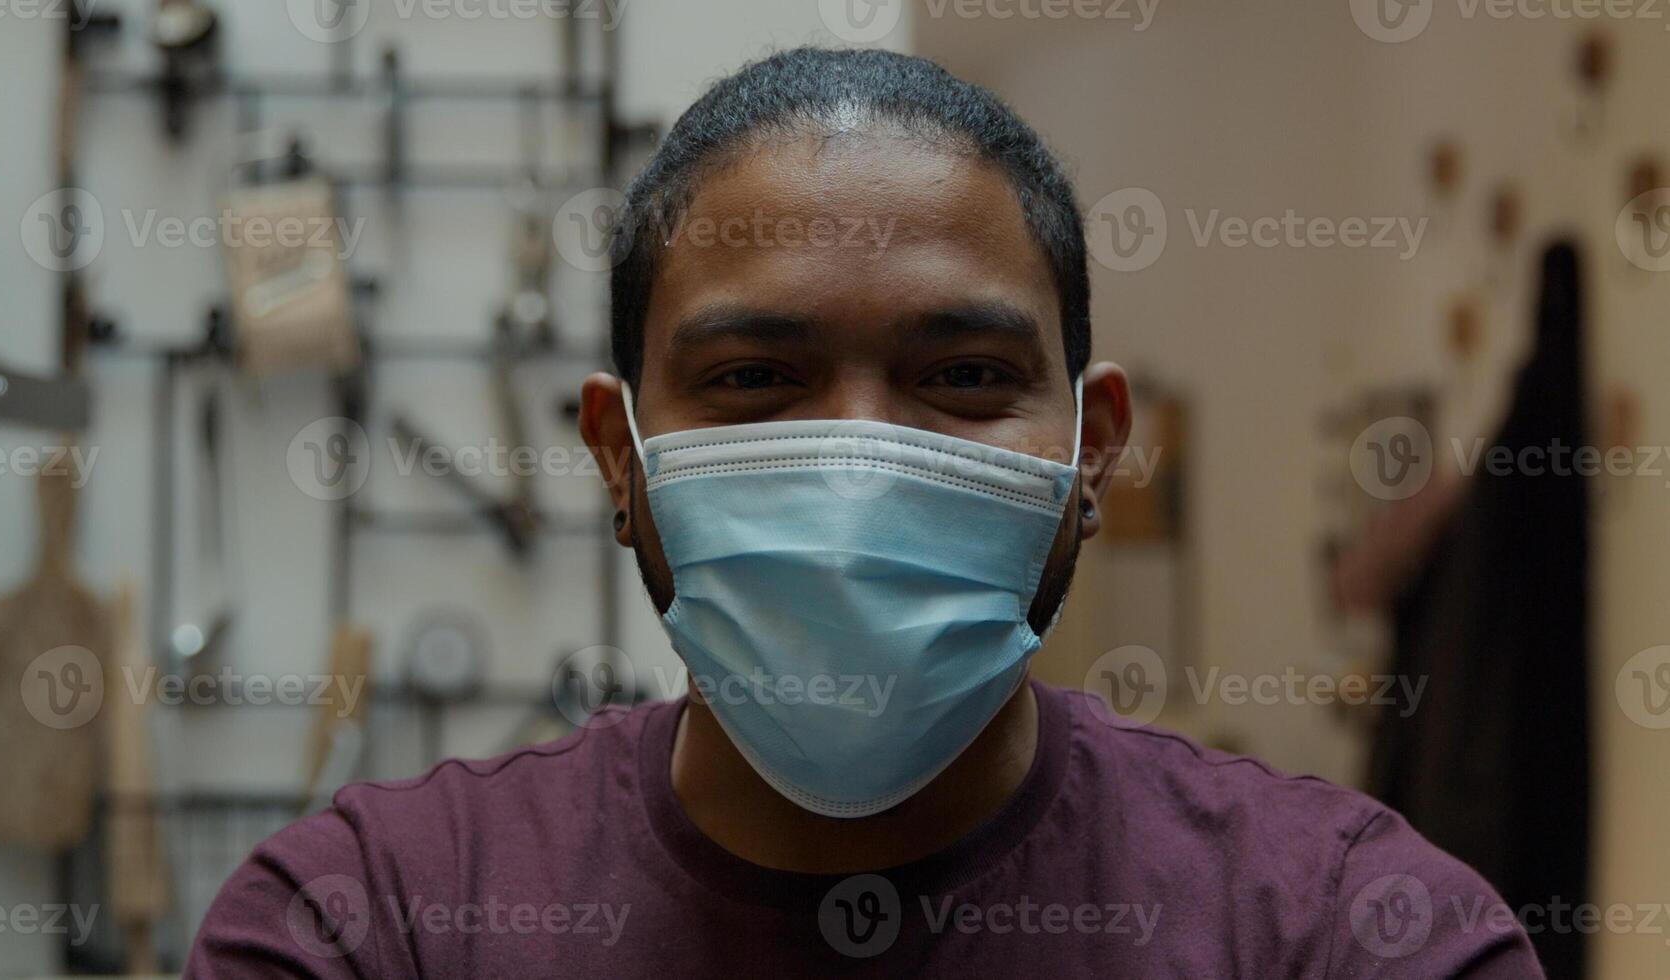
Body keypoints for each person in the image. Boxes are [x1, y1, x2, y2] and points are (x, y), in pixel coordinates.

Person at [189, 47, 1543, 977]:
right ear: (617, 454)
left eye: (961, 377)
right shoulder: (366, 932)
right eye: (753, 380)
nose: (853, 460)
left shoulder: (1353, 934)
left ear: (1091, 451)